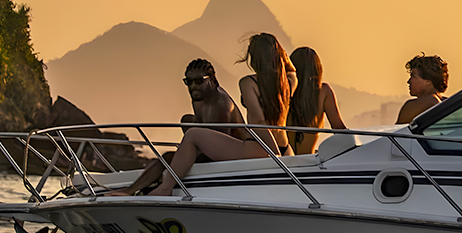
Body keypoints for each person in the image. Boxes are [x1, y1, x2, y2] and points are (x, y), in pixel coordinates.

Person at [110, 35, 293, 195]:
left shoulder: (248, 82)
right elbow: (293, 71)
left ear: (254, 58)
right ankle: (137, 188)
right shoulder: (287, 85)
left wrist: (272, 153)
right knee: (187, 123)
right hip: (285, 148)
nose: (193, 86)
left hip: (259, 148)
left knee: (193, 134)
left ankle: (165, 188)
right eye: (188, 82)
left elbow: (259, 119)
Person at [285, 46, 347, 154]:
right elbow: (339, 128)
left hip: (283, 160)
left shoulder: (283, 92)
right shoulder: (323, 92)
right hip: (308, 161)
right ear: (317, 69)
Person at [396, 53, 448, 125]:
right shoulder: (450, 104)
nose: (409, 81)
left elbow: (398, 133)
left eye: (414, 76)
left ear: (428, 81)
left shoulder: (413, 106)